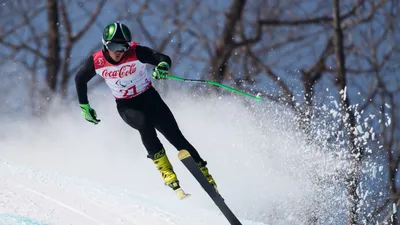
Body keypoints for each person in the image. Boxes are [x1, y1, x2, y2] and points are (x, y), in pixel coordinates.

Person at [74, 22, 217, 199]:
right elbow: (80, 79)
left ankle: (206, 176)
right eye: (113, 46)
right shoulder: (96, 62)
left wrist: (162, 67)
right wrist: (84, 106)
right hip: (127, 106)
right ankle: (166, 171)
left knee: (175, 136)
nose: (119, 51)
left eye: (123, 46)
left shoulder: (136, 52)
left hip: (149, 98)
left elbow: (163, 58)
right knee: (144, 125)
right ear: (105, 45)